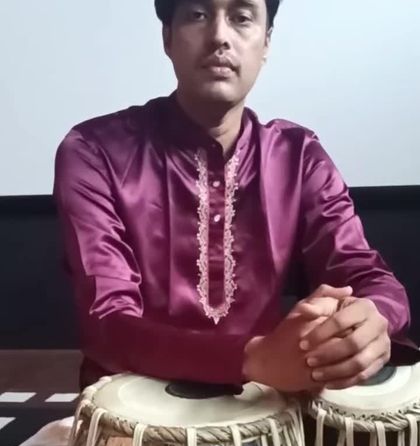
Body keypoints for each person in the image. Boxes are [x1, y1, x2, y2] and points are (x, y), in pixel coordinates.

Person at [54, 0, 417, 395]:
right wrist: (253, 357)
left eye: (241, 18)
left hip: (261, 404)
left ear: (266, 42)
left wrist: (373, 317)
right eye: (198, 14)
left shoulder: (298, 156)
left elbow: (364, 274)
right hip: (129, 407)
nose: (219, 37)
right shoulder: (95, 151)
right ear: (167, 37)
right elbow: (107, 323)